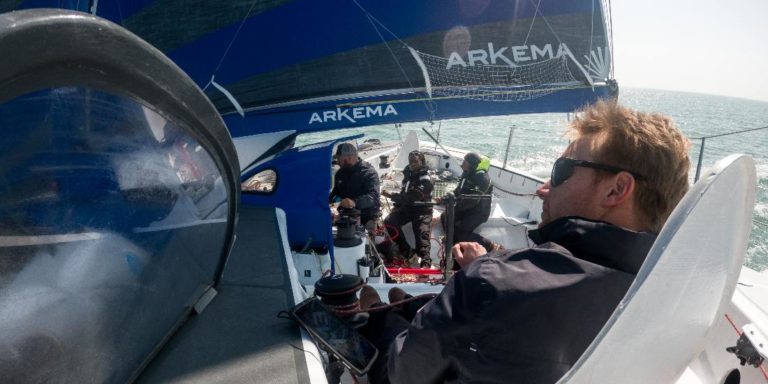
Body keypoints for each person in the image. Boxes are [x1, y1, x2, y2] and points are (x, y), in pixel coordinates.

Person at [358, 101, 691, 384]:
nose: (544, 187)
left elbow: (403, 371)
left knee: (380, 306)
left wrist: (379, 315)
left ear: (616, 190)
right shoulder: (672, 298)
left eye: (561, 171)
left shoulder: (492, 281)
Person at [438, 152, 500, 253]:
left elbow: (472, 201)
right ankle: (451, 239)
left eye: (465, 161)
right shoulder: (466, 173)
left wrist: (454, 206)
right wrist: (444, 198)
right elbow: (458, 190)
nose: (462, 164)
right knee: (445, 217)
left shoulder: (483, 179)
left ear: (471, 163)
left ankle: (490, 245)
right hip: (466, 207)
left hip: (478, 212)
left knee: (462, 231)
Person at [382, 151, 434, 268]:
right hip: (407, 209)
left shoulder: (426, 178)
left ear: (422, 162)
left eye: (415, 161)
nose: (412, 164)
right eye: (411, 161)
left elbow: (412, 197)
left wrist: (392, 196)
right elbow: (404, 192)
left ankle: (426, 262)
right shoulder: (408, 173)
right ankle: (407, 251)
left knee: (421, 235)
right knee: (389, 221)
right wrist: (398, 205)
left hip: (422, 210)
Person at [329, 142, 381, 227]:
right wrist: (328, 201)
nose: (337, 162)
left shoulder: (368, 173)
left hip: (366, 216)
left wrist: (354, 202)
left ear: (349, 158)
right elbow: (336, 193)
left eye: (339, 159)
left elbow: (373, 197)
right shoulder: (340, 173)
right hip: (345, 215)